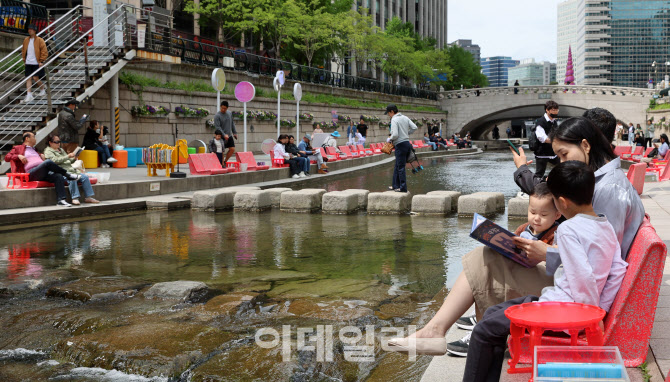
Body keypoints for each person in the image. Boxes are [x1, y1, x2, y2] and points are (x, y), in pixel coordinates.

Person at [387, 116, 643, 357]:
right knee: (488, 253)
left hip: (575, 299)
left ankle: (469, 334)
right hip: (575, 285)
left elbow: (602, 265)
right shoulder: (602, 182)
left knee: (486, 259)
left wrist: (547, 254)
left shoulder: (608, 190)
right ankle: (444, 331)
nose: (563, 162)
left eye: (564, 154)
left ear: (585, 146)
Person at [462, 161, 627, 382]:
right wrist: (601, 310)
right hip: (563, 304)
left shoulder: (569, 229)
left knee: (483, 332)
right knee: (492, 315)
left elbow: (582, 277)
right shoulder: (606, 225)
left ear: (561, 203)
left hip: (565, 314)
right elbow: (618, 270)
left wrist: (590, 315)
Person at [440, 183, 561, 356]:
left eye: (543, 215)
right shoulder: (523, 229)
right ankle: (482, 328)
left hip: (540, 283)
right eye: (533, 212)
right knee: (487, 259)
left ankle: (483, 333)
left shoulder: (556, 234)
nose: (536, 218)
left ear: (557, 214)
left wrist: (543, 252)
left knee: (487, 270)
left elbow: (557, 264)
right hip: (520, 272)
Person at [4, 132, 81, 207]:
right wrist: (19, 156)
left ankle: (61, 200)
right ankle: (68, 175)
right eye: (33, 137)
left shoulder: (34, 149)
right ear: (27, 139)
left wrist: (40, 155)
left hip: (41, 172)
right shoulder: (18, 148)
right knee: (48, 162)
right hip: (30, 174)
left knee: (58, 176)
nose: (35, 139)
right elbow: (7, 157)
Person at [44, 134, 99, 205]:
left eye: (59, 141)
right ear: (50, 142)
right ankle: (75, 197)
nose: (58, 143)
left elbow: (68, 161)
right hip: (62, 172)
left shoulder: (61, 150)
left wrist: (74, 158)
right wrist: (68, 156)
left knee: (85, 177)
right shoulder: (48, 151)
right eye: (56, 142)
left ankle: (88, 197)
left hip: (70, 170)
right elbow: (55, 161)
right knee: (72, 178)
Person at [386, 104, 417, 193]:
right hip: (407, 143)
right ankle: (395, 185)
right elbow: (414, 127)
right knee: (397, 165)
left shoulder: (394, 119)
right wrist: (406, 134)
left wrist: (390, 139)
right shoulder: (405, 117)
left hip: (400, 144)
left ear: (392, 111)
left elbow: (395, 134)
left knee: (401, 167)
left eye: (388, 113)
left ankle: (403, 188)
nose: (389, 115)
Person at [531, 101, 560, 178]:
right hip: (542, 153)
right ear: (547, 110)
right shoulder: (541, 122)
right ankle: (533, 188)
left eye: (556, 110)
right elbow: (542, 138)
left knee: (562, 166)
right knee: (539, 173)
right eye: (553, 110)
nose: (555, 112)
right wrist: (555, 141)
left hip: (552, 153)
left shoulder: (554, 122)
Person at [21, 24, 47, 104]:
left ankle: (43, 88)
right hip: (28, 62)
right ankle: (29, 95)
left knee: (35, 78)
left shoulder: (40, 40)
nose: (29, 30)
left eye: (31, 29)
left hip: (36, 62)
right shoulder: (26, 40)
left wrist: (41, 61)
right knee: (28, 78)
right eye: (29, 29)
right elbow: (23, 50)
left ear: (35, 31)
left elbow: (44, 51)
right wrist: (24, 60)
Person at [214, 101, 237, 165]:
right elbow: (218, 127)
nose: (223, 110)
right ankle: (222, 164)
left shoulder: (229, 113)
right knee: (221, 151)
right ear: (220, 107)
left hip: (229, 135)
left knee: (232, 149)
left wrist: (234, 132)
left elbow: (232, 123)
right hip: (221, 136)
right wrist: (224, 135)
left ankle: (225, 161)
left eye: (225, 108)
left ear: (227, 108)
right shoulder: (217, 116)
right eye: (222, 108)